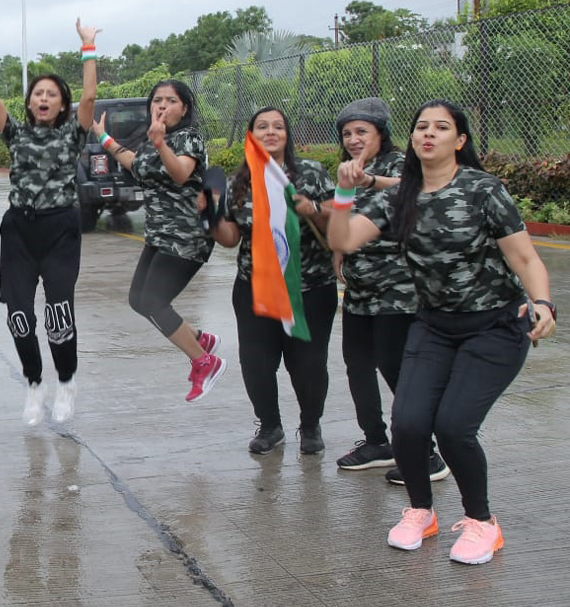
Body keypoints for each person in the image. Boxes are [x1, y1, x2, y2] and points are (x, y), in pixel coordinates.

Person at [328, 99, 554, 565]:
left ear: (460, 140)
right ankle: (421, 512)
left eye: (441, 127)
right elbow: (343, 240)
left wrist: (543, 302)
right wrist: (344, 193)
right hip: (433, 325)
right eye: (421, 127)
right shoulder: (400, 196)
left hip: (493, 326)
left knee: (453, 427)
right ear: (411, 139)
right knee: (408, 424)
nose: (428, 134)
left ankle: (482, 523)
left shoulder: (483, 190)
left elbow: (525, 258)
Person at [0, 18, 97, 425]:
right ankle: (33, 383)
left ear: (63, 104)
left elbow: (91, 94)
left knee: (59, 314)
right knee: (20, 315)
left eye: (52, 94)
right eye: (38, 94)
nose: (44, 98)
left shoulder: (73, 135)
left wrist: (87, 47)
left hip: (60, 230)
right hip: (19, 232)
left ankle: (66, 382)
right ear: (29, 102)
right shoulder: (16, 134)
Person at [331, 98, 449, 483]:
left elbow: (412, 188)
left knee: (397, 370)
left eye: (361, 131)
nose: (353, 139)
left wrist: (366, 180)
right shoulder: (349, 168)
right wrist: (337, 253)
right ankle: (377, 441)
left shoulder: (401, 165)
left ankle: (427, 453)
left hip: (397, 289)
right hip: (360, 289)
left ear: (381, 132)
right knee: (357, 365)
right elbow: (343, 214)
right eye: (347, 133)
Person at [213, 106, 337, 455]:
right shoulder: (240, 180)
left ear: (288, 135)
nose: (270, 132)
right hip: (255, 288)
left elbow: (338, 226)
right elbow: (231, 237)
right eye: (262, 127)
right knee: (256, 362)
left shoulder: (310, 173)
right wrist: (209, 217)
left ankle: (310, 426)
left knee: (309, 363)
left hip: (309, 288)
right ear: (251, 136)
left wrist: (313, 209)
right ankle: (269, 426)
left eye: (278, 127)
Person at [93, 79, 226, 405]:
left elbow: (181, 172)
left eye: (170, 100)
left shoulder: (188, 138)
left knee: (153, 301)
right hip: (158, 236)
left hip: (186, 238)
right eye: (157, 100)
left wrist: (162, 143)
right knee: (138, 300)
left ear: (184, 108)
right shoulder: (153, 143)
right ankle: (199, 339)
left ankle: (204, 362)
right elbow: (134, 163)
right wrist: (104, 137)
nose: (162, 105)